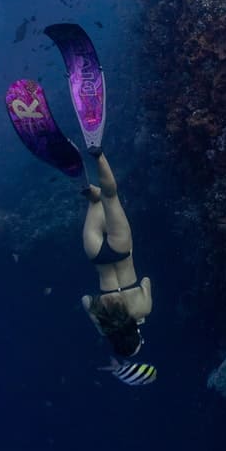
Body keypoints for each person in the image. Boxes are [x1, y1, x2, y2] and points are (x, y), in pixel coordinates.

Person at [81, 148, 152, 357]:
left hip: (122, 251)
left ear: (137, 334)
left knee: (110, 197)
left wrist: (137, 313)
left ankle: (98, 154)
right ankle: (87, 189)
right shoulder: (104, 323)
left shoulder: (143, 309)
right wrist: (100, 326)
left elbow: (146, 281)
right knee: (95, 201)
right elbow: (85, 299)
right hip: (97, 257)